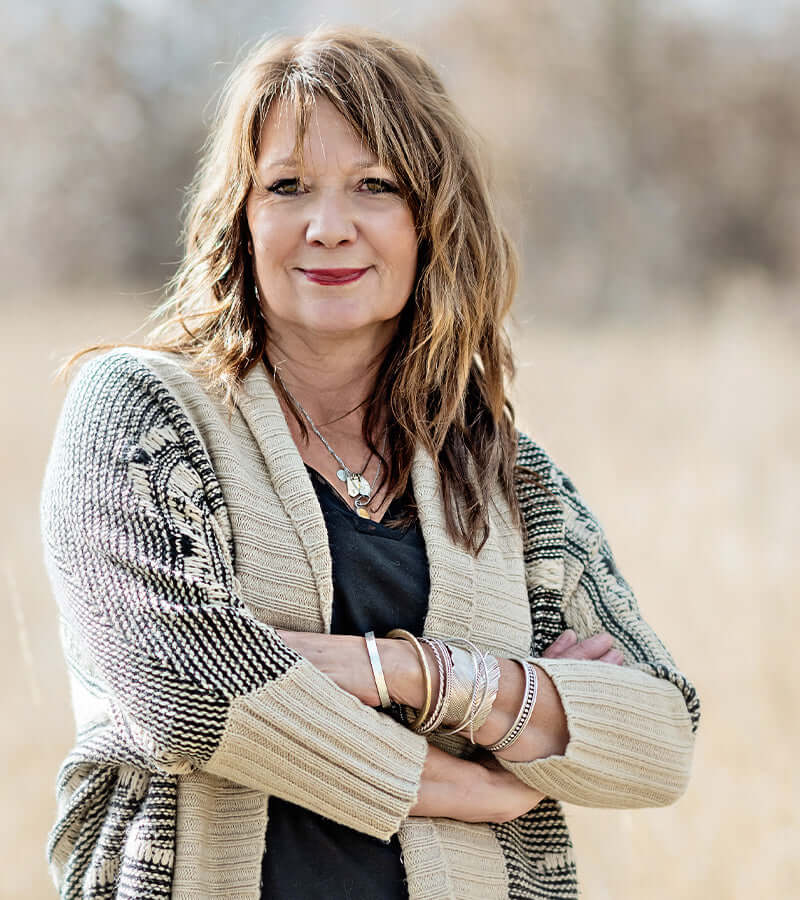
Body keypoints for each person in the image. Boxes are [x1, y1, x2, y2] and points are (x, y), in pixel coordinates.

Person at [41, 27, 700, 900]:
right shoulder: (141, 413)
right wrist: (482, 768)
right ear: (241, 216)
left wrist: (403, 674)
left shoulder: (504, 473)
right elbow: (183, 690)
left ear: (433, 220)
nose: (327, 227)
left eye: (373, 187)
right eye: (287, 188)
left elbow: (660, 737)